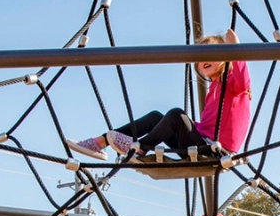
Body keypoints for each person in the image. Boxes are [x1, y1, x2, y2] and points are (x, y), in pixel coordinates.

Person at [70, 29, 251, 161]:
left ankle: (140, 149)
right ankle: (101, 142)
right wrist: (184, 125)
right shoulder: (214, 88)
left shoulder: (231, 82)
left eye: (210, 54)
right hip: (201, 144)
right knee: (157, 117)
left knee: (176, 115)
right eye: (201, 57)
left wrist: (236, 49)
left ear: (226, 58)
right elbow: (206, 128)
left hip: (215, 151)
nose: (204, 61)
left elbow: (243, 82)